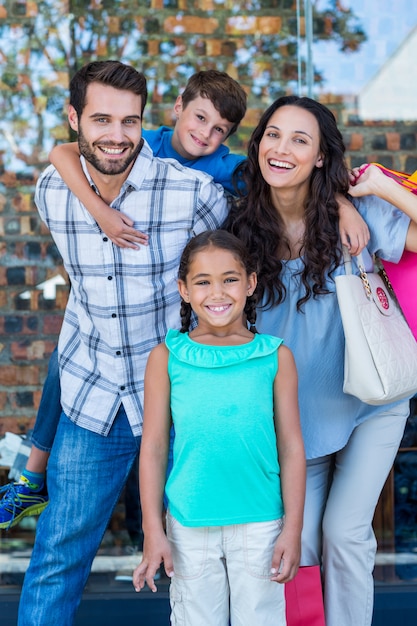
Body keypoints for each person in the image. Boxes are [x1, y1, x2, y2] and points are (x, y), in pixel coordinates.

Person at [0, 69, 368, 529]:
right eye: (199, 119)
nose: (204, 135)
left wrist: (343, 203)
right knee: (62, 361)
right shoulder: (137, 140)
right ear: (177, 107)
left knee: (171, 516)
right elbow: (61, 152)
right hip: (102, 351)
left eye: (220, 131)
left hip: (170, 343)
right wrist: (103, 215)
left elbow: (288, 179)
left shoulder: (223, 170)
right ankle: (31, 475)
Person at [16, 59, 228, 626]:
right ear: (73, 118)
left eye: (130, 122)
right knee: (59, 554)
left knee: (204, 558)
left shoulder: (196, 194)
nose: (116, 135)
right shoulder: (52, 192)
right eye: (102, 119)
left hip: (178, 402)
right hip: (94, 400)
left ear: (145, 122)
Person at [224, 95, 417, 626]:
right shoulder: (238, 229)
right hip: (295, 423)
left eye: (300, 140)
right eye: (273, 134)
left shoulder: (360, 215)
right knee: (298, 545)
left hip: (371, 406)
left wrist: (376, 190)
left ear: (319, 158)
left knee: (345, 532)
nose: (282, 148)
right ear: (259, 144)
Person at [132, 230, 306, 626]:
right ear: (184, 289)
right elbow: (155, 447)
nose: (218, 292)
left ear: (250, 282)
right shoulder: (166, 358)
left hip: (261, 522)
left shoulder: (276, 357)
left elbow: (293, 447)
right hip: (190, 524)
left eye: (229, 279)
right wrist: (152, 529)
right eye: (203, 282)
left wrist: (293, 528)